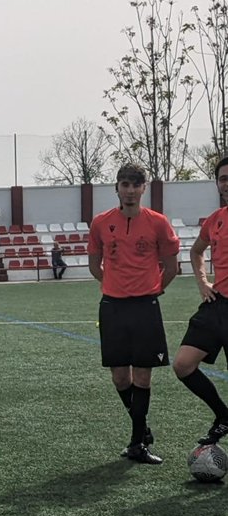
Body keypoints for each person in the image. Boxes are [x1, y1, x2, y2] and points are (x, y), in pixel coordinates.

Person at [87, 163, 180, 464]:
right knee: (119, 377)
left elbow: (171, 266)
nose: (129, 190)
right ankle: (142, 428)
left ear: (143, 188)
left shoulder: (158, 223)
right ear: (116, 188)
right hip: (113, 306)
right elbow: (93, 263)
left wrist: (153, 290)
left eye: (135, 185)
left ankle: (137, 443)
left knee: (142, 375)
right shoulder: (101, 223)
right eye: (124, 184)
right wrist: (113, 285)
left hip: (145, 306)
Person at [173, 155, 228, 445]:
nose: (227, 183)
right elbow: (196, 252)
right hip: (217, 304)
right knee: (183, 365)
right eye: (223, 178)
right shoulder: (215, 221)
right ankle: (223, 415)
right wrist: (202, 281)